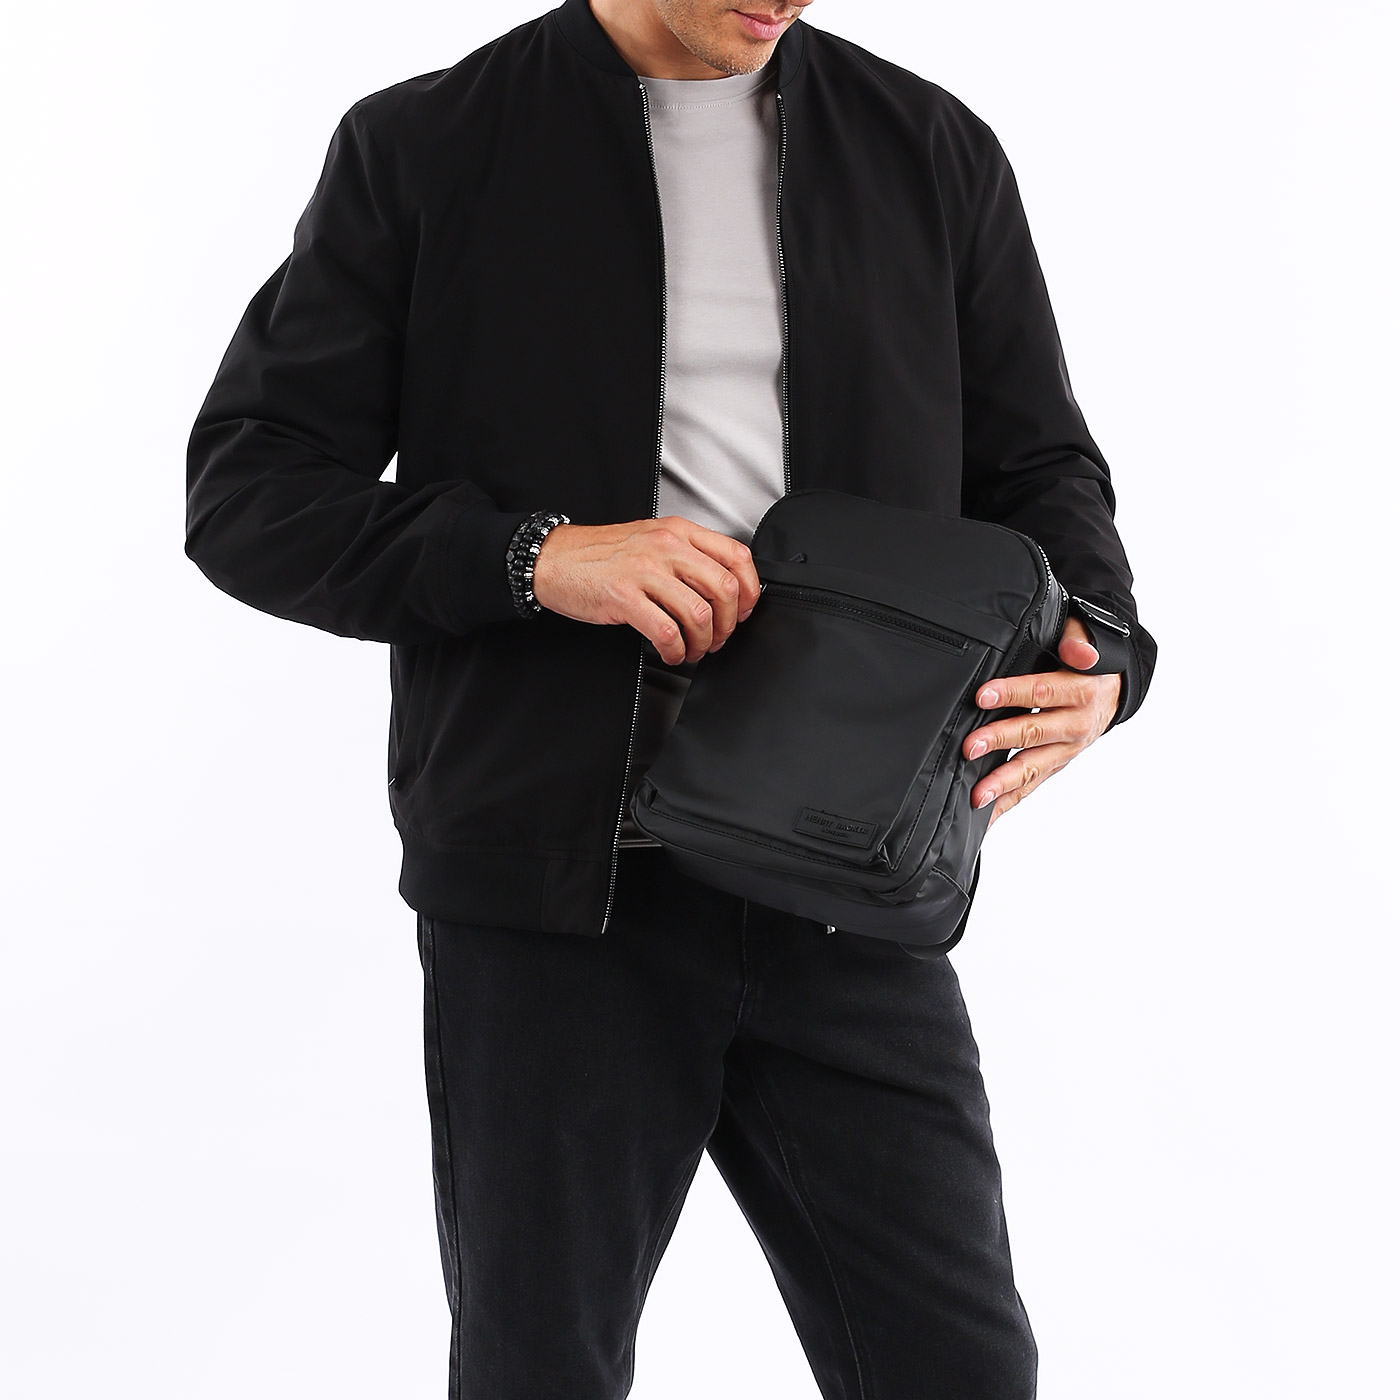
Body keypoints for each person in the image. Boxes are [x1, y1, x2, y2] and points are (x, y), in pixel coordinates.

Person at [185, 1, 1158, 1394]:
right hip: (556, 894)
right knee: (542, 1370)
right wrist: (535, 558)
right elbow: (249, 492)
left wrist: (1102, 653)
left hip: (854, 873)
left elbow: (1040, 470)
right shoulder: (428, 146)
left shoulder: (929, 147)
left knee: (958, 1367)